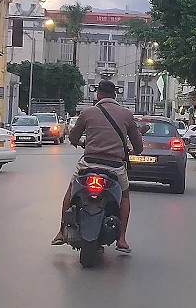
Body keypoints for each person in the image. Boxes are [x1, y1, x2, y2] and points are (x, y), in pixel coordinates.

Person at [51, 80, 144, 253]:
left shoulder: (87, 113)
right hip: (115, 167)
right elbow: (138, 146)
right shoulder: (127, 115)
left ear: (98, 95)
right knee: (124, 196)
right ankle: (122, 238)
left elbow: (73, 138)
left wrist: (82, 143)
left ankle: (61, 231)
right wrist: (133, 150)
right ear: (115, 95)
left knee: (71, 190)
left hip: (88, 164)